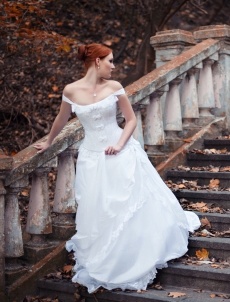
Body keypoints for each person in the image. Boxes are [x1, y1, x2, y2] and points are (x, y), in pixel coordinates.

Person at [33, 43, 200, 293]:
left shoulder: (114, 87)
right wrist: (48, 141)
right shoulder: (71, 90)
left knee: (126, 205)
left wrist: (120, 144)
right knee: (99, 208)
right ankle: (105, 254)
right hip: (91, 157)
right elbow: (61, 118)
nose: (114, 66)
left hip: (120, 151)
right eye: (110, 61)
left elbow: (131, 120)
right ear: (97, 61)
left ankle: (133, 253)